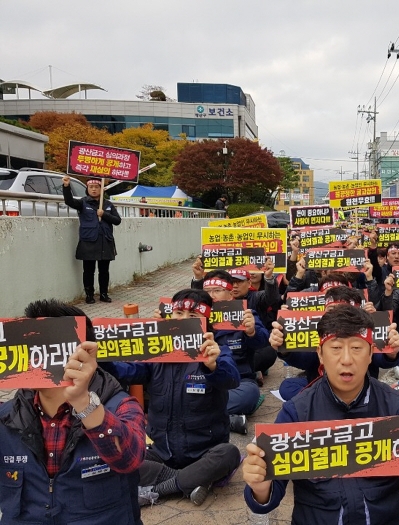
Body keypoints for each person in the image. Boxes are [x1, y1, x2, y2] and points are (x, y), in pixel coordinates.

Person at [242, 305, 399, 524]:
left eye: (357, 348)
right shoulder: (297, 411)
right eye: (336, 348)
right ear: (320, 354)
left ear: (370, 354)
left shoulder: (397, 407)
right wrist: (261, 487)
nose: (346, 359)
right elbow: (268, 499)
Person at [0, 299, 146, 524]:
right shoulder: (6, 417)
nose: (37, 356)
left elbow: (130, 458)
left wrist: (84, 403)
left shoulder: (121, 406)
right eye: (30, 343)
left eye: (49, 345)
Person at [100, 289, 241, 506]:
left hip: (204, 452)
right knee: (116, 457)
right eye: (179, 314)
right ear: (169, 316)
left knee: (229, 454)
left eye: (193, 317)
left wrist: (212, 364)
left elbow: (231, 379)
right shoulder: (156, 353)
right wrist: (103, 357)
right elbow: (127, 371)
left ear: (206, 321)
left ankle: (159, 490)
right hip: (160, 452)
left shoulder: (217, 352)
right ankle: (191, 481)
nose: (184, 321)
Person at [273, 283, 399, 400]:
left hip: (360, 393)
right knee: (287, 386)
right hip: (321, 389)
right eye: (331, 310)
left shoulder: (367, 330)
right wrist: (283, 345)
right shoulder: (317, 332)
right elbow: (302, 359)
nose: (337, 317)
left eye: (345, 312)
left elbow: (381, 358)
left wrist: (391, 352)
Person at [200, 270, 271, 435]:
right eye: (207, 292)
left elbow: (263, 341)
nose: (211, 296)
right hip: (201, 381)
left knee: (250, 395)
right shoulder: (192, 318)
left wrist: (252, 331)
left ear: (230, 294)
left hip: (238, 380)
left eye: (217, 290)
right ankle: (228, 419)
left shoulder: (244, 314)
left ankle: (195, 413)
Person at [62, 176, 121, 304]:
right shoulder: (83, 203)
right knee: (88, 271)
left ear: (101, 189)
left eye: (96, 187)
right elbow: (69, 201)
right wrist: (66, 187)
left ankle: (104, 294)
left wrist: (104, 214)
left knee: (104, 270)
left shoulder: (108, 204)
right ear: (87, 189)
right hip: (88, 241)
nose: (94, 190)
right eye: (91, 187)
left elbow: (117, 221)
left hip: (105, 241)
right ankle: (89, 295)